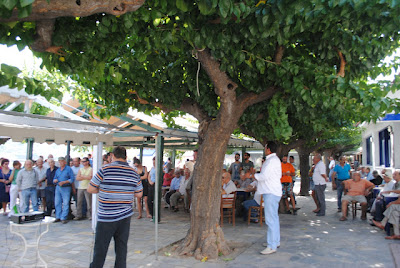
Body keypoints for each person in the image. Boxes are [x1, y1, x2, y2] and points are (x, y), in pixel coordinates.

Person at [88, 146, 143, 268]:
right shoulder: (134, 172)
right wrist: (125, 193)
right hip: (125, 216)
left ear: (112, 156)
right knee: (121, 249)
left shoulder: (104, 169)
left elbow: (91, 188)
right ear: (126, 157)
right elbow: (139, 193)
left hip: (106, 217)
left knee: (100, 250)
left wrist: (104, 190)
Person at [246, 142, 282, 255]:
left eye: (266, 147)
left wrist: (252, 176)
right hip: (272, 192)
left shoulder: (271, 161)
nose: (265, 149)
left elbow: (264, 176)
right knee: (274, 219)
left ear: (269, 149)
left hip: (270, 192)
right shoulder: (273, 160)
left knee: (271, 219)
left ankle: (272, 245)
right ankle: (275, 241)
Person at [53, 157, 75, 224]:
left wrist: (65, 182)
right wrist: (55, 180)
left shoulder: (68, 169)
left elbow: (72, 179)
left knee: (65, 203)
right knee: (57, 202)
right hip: (58, 187)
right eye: (59, 161)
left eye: (61, 161)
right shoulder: (58, 170)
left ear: (64, 162)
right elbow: (54, 178)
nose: (60, 163)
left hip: (66, 187)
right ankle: (58, 216)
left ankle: (64, 217)